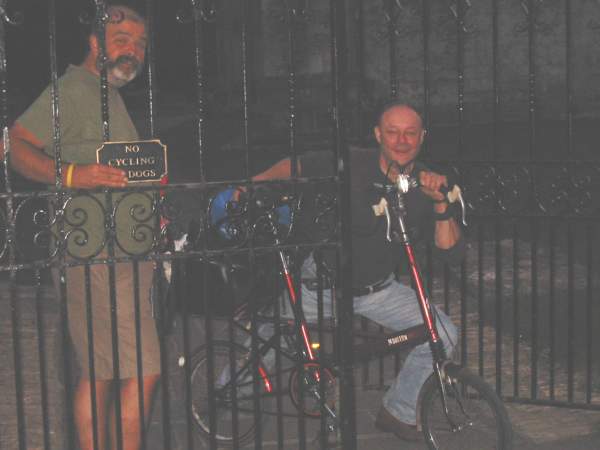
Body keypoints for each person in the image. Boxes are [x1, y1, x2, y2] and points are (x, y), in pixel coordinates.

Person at [253, 101, 464, 441]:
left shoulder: (425, 180)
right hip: (322, 285)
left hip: (378, 290)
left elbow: (450, 251)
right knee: (268, 335)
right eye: (393, 132)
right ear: (378, 134)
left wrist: (440, 201)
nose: (402, 141)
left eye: (410, 133)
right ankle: (228, 391)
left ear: (422, 137)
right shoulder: (352, 162)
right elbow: (298, 165)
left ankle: (397, 411)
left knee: (444, 334)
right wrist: (254, 183)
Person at [7, 6, 160, 450]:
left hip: (124, 254)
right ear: (95, 43)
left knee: (112, 373)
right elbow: (15, 144)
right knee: (131, 371)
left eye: (140, 43)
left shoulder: (106, 93)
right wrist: (73, 175)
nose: (133, 50)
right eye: (122, 39)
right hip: (94, 255)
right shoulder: (72, 89)